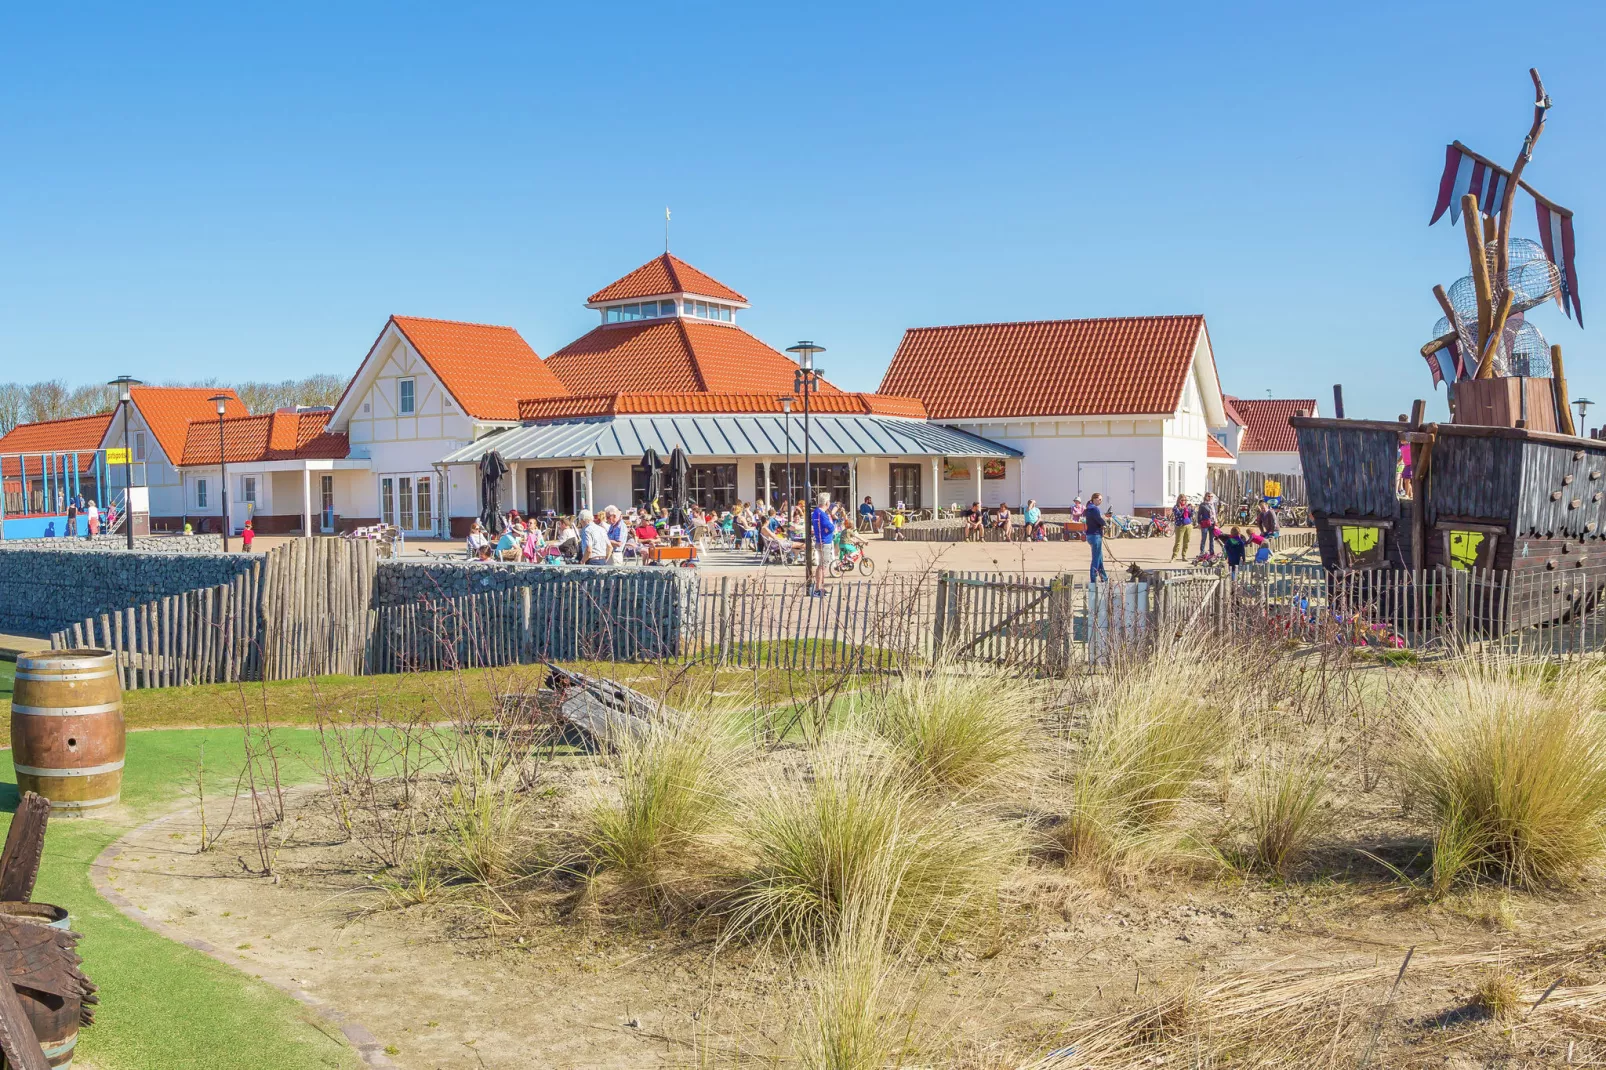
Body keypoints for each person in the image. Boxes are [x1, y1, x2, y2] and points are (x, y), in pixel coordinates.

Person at [810, 492, 836, 593]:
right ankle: (818, 587)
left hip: (821, 540)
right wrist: (832, 523)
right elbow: (830, 527)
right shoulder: (822, 514)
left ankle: (819, 587)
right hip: (825, 542)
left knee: (821, 564)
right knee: (823, 565)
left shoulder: (817, 512)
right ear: (827, 502)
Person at [1085, 491, 1108, 582]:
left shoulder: (1088, 508)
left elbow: (1094, 520)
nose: (1100, 501)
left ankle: (1104, 578)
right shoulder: (1095, 509)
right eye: (1099, 499)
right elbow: (1098, 519)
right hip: (1095, 535)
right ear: (1094, 499)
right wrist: (1104, 524)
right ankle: (1093, 580)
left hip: (1090, 535)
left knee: (1100, 557)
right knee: (1096, 559)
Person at [1169, 495, 1193, 561]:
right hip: (1180, 526)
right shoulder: (1176, 507)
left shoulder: (1187, 507)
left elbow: (1191, 515)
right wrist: (1181, 509)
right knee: (1178, 542)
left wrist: (1191, 509)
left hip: (1188, 525)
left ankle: (1184, 556)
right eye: (1182, 500)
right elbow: (1178, 514)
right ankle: (1174, 557)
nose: (1183, 501)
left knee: (1186, 542)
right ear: (1179, 500)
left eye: (1185, 500)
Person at [1197, 492, 1218, 556]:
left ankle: (1212, 552)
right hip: (1205, 523)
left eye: (1211, 496)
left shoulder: (1213, 504)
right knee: (1204, 538)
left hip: (1212, 523)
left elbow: (1215, 514)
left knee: (1212, 539)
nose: (1210, 498)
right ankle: (1202, 552)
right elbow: (1199, 514)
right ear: (1205, 497)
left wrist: (1216, 521)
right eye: (1208, 496)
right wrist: (1199, 523)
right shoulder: (1203, 505)